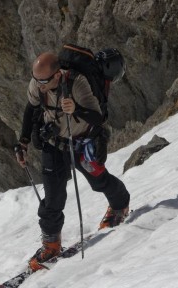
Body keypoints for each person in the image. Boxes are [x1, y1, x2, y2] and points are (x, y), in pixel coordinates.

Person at [15, 52, 130, 271]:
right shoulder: (37, 84)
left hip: (81, 142)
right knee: (53, 197)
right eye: (36, 80)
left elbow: (98, 117)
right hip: (54, 142)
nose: (38, 86)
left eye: (44, 81)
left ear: (58, 75)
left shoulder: (78, 84)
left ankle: (120, 205)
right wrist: (23, 142)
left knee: (99, 181)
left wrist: (76, 109)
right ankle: (51, 244)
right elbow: (31, 109)